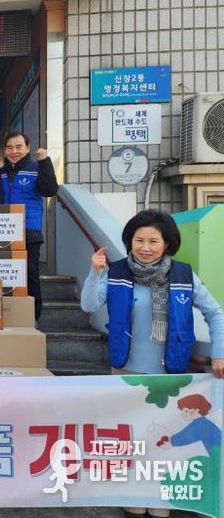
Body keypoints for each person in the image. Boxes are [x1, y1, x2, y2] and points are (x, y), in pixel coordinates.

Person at [81, 210, 224, 517]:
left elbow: (215, 313)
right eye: (139, 240)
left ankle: (159, 500)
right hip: (125, 373)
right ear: (130, 242)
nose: (145, 247)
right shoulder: (116, 272)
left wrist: (219, 353)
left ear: (167, 244)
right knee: (130, 438)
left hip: (170, 377)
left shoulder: (184, 276)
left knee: (163, 440)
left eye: (153, 241)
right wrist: (95, 272)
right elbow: (89, 304)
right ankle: (133, 498)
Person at [0, 132, 59, 320]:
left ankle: (33, 317)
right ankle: (8, 314)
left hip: (29, 231)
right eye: (10, 148)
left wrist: (45, 162)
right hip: (1, 231)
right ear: (5, 150)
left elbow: (50, 190)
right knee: (4, 274)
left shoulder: (37, 168)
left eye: (18, 147)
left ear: (27, 148)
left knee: (30, 274)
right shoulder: (0, 173)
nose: (14, 151)